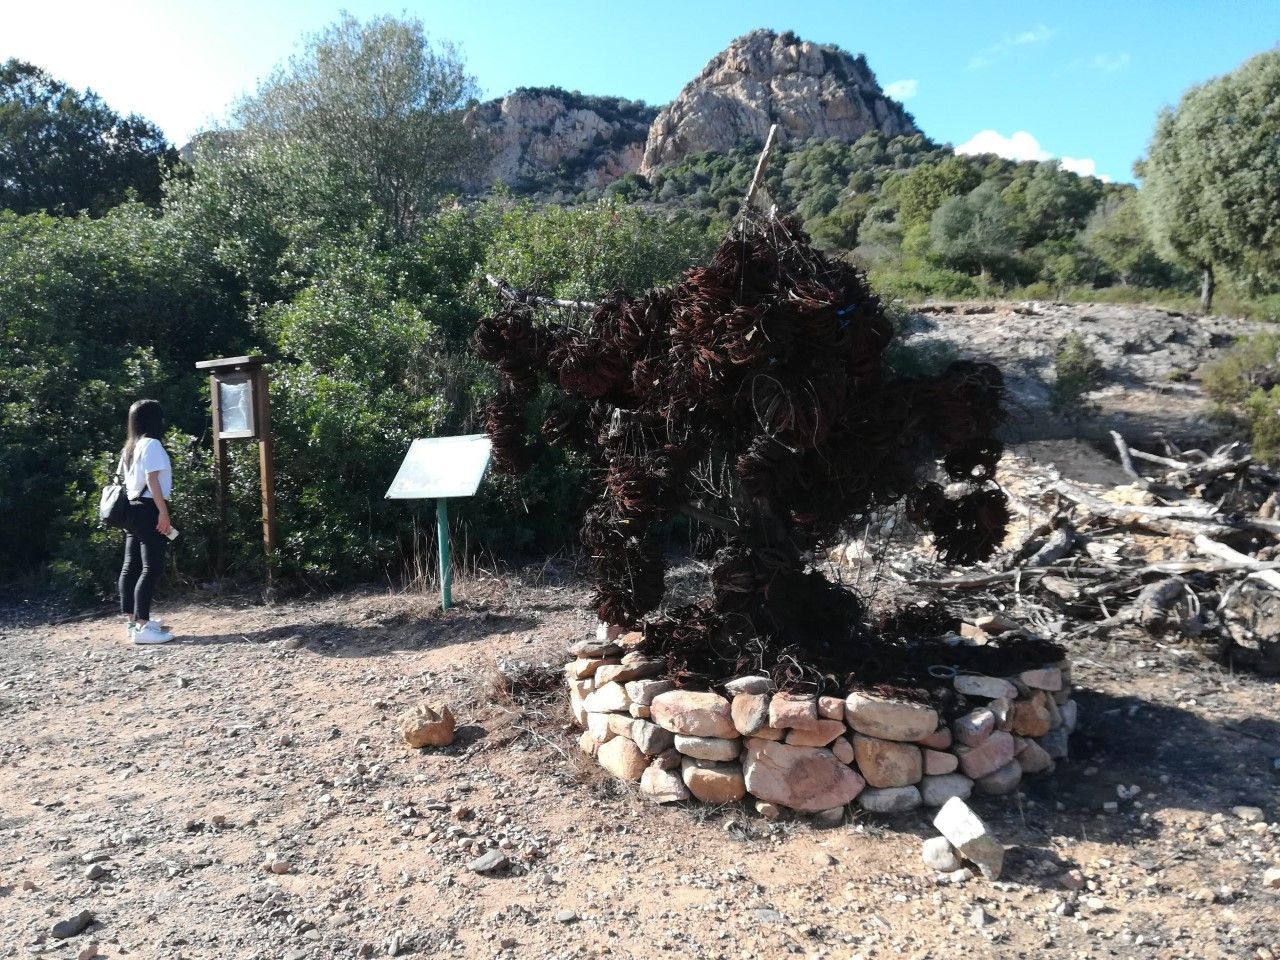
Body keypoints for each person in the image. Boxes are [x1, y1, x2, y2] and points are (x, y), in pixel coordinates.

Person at [117, 399, 175, 644]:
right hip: (149, 507)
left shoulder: (130, 446)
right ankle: (143, 627)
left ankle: (132, 622)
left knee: (131, 566)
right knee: (151, 567)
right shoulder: (151, 444)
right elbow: (153, 481)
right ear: (153, 419)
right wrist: (163, 513)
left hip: (131, 509)